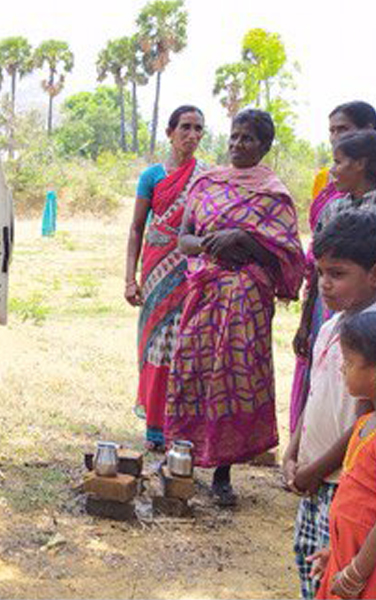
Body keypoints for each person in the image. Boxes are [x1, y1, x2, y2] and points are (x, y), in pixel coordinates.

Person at [166, 109, 305, 507]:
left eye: (247, 139)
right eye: (233, 137)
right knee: (192, 369)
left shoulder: (274, 194)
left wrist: (242, 238)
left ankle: (224, 472)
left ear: (264, 146)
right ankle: (184, 462)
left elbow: (286, 253)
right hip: (204, 292)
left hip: (247, 298)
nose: (237, 145)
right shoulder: (207, 184)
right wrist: (212, 243)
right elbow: (184, 240)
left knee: (231, 377)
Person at [283, 210, 376, 599]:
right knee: (313, 566)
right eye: (320, 273)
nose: (325, 284)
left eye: (338, 274)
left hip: (345, 485)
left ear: (373, 274)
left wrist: (314, 470)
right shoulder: (331, 325)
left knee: (338, 581)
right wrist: (292, 453)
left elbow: (365, 424)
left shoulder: (369, 338)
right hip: (315, 478)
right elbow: (316, 393)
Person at [125, 105, 207, 452]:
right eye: (185, 127)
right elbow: (136, 228)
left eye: (198, 129)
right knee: (155, 343)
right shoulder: (152, 177)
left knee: (184, 345)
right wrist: (130, 278)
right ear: (170, 132)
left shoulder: (206, 176)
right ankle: (156, 427)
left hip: (189, 269)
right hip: (156, 267)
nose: (192, 135)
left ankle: (182, 426)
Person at [291, 103, 376, 433]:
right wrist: (305, 321)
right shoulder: (333, 206)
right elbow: (316, 268)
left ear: (362, 163)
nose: (333, 170)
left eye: (339, 162)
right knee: (325, 377)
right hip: (326, 314)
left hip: (366, 315)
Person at [309, 310, 376, 599]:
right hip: (348, 557)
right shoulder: (364, 424)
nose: (341, 370)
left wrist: (356, 571)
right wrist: (335, 553)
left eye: (348, 362)